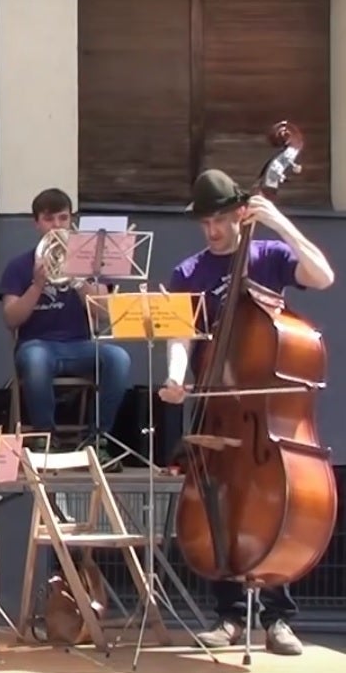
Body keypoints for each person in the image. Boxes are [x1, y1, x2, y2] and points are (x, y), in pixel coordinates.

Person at [158, 169, 335, 657]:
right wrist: (178, 377)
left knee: (271, 503)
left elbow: (323, 276)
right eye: (204, 223)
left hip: (263, 412)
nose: (212, 231)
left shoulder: (269, 256)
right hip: (219, 409)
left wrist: (281, 223)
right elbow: (181, 335)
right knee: (221, 499)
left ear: (239, 212)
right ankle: (230, 615)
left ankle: (278, 618)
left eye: (219, 219)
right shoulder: (189, 273)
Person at [0, 187, 129, 466]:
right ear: (36, 223)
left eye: (62, 218)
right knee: (34, 359)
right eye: (48, 219)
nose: (56, 226)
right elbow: (11, 318)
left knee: (119, 358)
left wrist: (80, 279)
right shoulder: (19, 266)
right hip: (37, 346)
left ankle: (98, 439)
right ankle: (47, 440)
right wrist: (37, 285)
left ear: (72, 220)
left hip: (80, 346)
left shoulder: (90, 263)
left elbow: (104, 314)